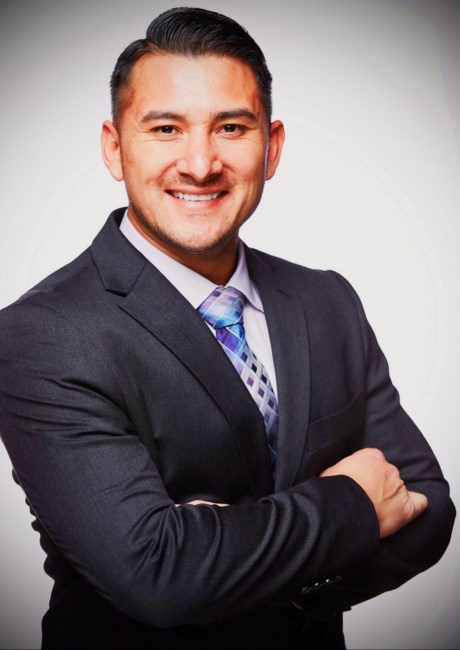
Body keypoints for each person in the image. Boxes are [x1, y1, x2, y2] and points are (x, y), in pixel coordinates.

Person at [0, 7, 455, 650]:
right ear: (114, 147)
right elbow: (158, 574)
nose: (200, 163)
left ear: (272, 147)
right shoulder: (41, 335)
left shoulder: (327, 300)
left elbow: (428, 504)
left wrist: (234, 561)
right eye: (166, 128)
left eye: (231, 127)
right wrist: (353, 503)